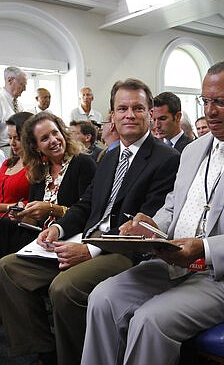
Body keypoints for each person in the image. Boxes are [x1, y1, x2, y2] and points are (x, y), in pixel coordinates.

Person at [80, 57, 224, 365]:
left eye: (221, 101)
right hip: (173, 263)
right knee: (102, 298)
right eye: (205, 101)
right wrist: (149, 227)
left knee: (150, 320)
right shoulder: (192, 150)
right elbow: (173, 207)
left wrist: (204, 248)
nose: (210, 111)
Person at [0, 79, 180, 365]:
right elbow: (86, 205)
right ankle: (45, 352)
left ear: (149, 113)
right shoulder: (109, 157)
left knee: (64, 288)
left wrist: (91, 250)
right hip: (85, 238)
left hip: (126, 253)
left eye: (138, 108)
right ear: (112, 115)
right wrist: (56, 229)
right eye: (122, 108)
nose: (129, 115)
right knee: (9, 267)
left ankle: (73, 359)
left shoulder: (167, 159)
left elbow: (146, 226)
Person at [0, 111, 96, 259]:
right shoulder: (39, 170)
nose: (53, 140)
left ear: (63, 133)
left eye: (55, 133)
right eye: (44, 138)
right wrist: (22, 215)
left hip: (70, 238)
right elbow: (34, 221)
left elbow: (89, 212)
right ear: (36, 147)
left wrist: (51, 209)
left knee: (6, 262)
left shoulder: (82, 163)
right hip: (40, 238)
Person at [0, 112, 32, 217]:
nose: (12, 143)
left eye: (18, 139)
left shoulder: (38, 166)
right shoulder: (7, 163)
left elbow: (33, 203)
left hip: (15, 224)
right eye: (10, 138)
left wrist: (7, 207)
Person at [0, 67, 27, 157]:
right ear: (10, 80)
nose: (24, 89)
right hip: (4, 152)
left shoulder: (19, 105)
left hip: (20, 151)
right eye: (22, 84)